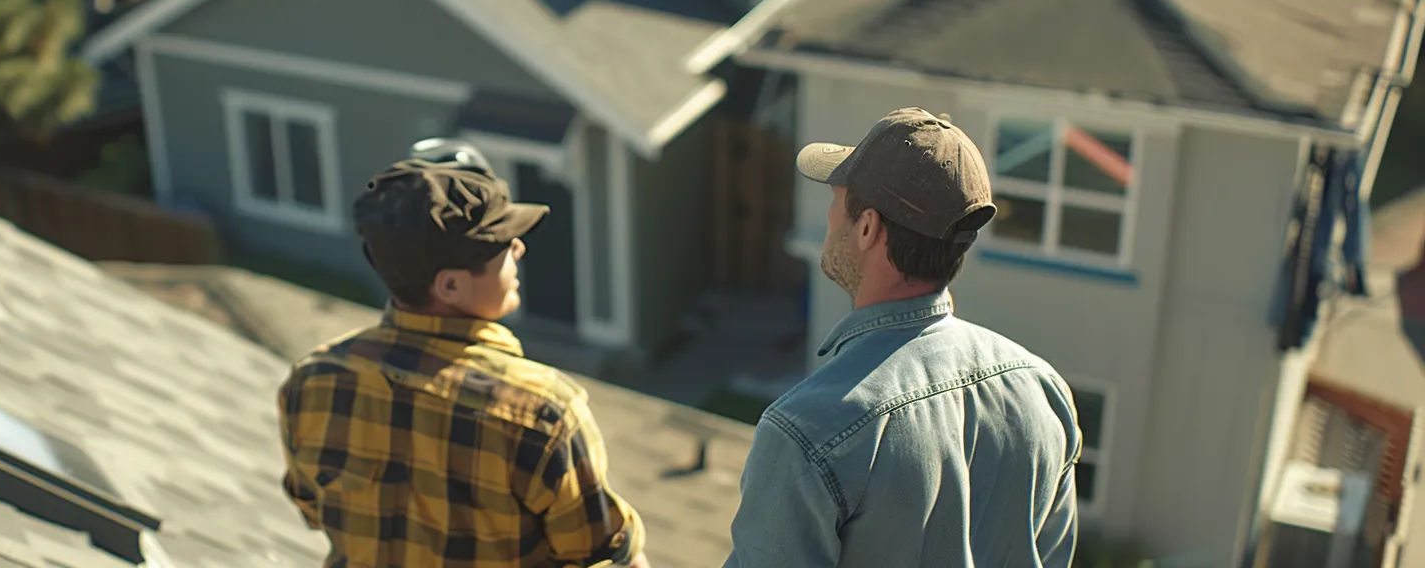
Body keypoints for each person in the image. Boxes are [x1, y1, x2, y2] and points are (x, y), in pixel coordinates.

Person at [721, 108, 1083, 567]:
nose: (830, 219)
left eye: (837, 199)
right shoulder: (1042, 390)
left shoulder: (806, 433)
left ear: (868, 228)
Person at [276, 157, 651, 568]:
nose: (519, 249)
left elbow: (313, 508)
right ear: (451, 285)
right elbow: (605, 558)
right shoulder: (544, 413)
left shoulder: (313, 382)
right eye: (503, 246)